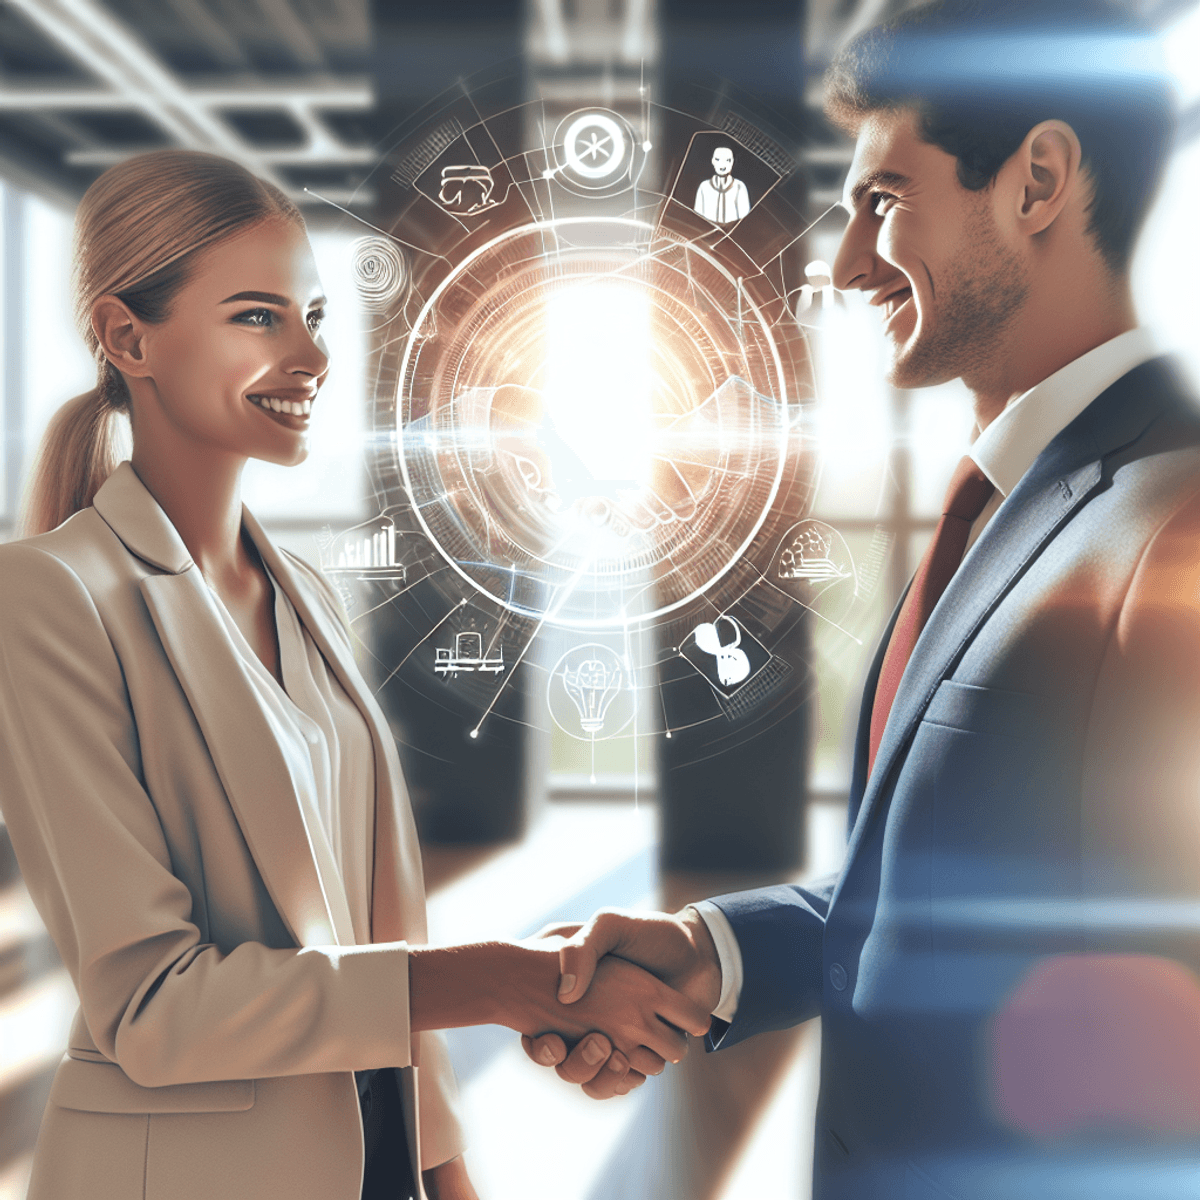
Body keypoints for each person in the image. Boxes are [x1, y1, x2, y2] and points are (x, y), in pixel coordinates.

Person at [528, 1, 1200, 1195]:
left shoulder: (1173, 520)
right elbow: (931, 890)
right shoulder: (1010, 506)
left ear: (1037, 181)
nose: (844, 268)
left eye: (882, 204)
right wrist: (708, 954)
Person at [0, 149, 709, 1200]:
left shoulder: (307, 599)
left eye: (315, 316)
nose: (311, 355)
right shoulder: (47, 598)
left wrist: (446, 1173)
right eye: (258, 316)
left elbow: (375, 943)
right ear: (125, 335)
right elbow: (154, 1008)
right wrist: (508, 983)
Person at [694, 146, 751, 224]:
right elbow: (697, 216)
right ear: (712, 161)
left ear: (732, 162)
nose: (722, 164)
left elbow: (744, 219)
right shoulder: (704, 187)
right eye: (718, 159)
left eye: (728, 160)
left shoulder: (739, 187)